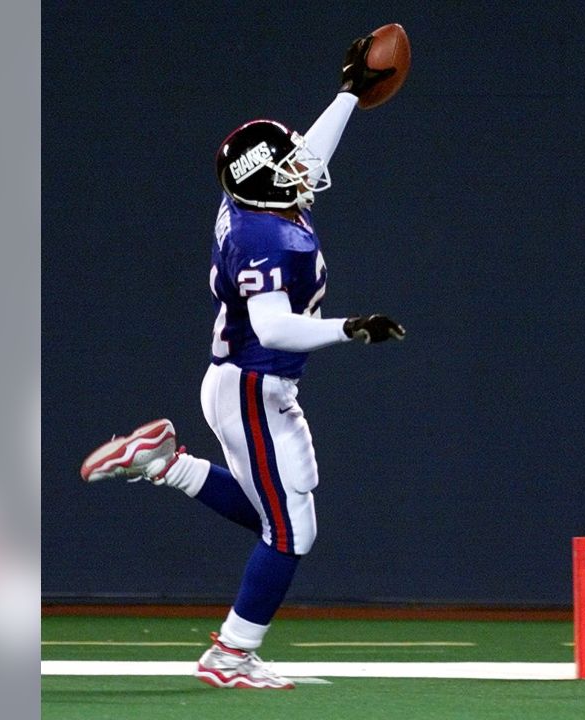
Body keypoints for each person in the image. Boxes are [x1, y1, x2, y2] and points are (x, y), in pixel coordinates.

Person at [79, 33, 405, 690]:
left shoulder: (249, 200)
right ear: (265, 188)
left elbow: (304, 156)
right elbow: (275, 326)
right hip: (254, 384)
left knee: (280, 517)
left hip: (249, 384)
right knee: (289, 531)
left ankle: (164, 464)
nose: (303, 173)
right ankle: (229, 655)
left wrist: (348, 94)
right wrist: (349, 329)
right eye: (288, 173)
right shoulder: (267, 235)